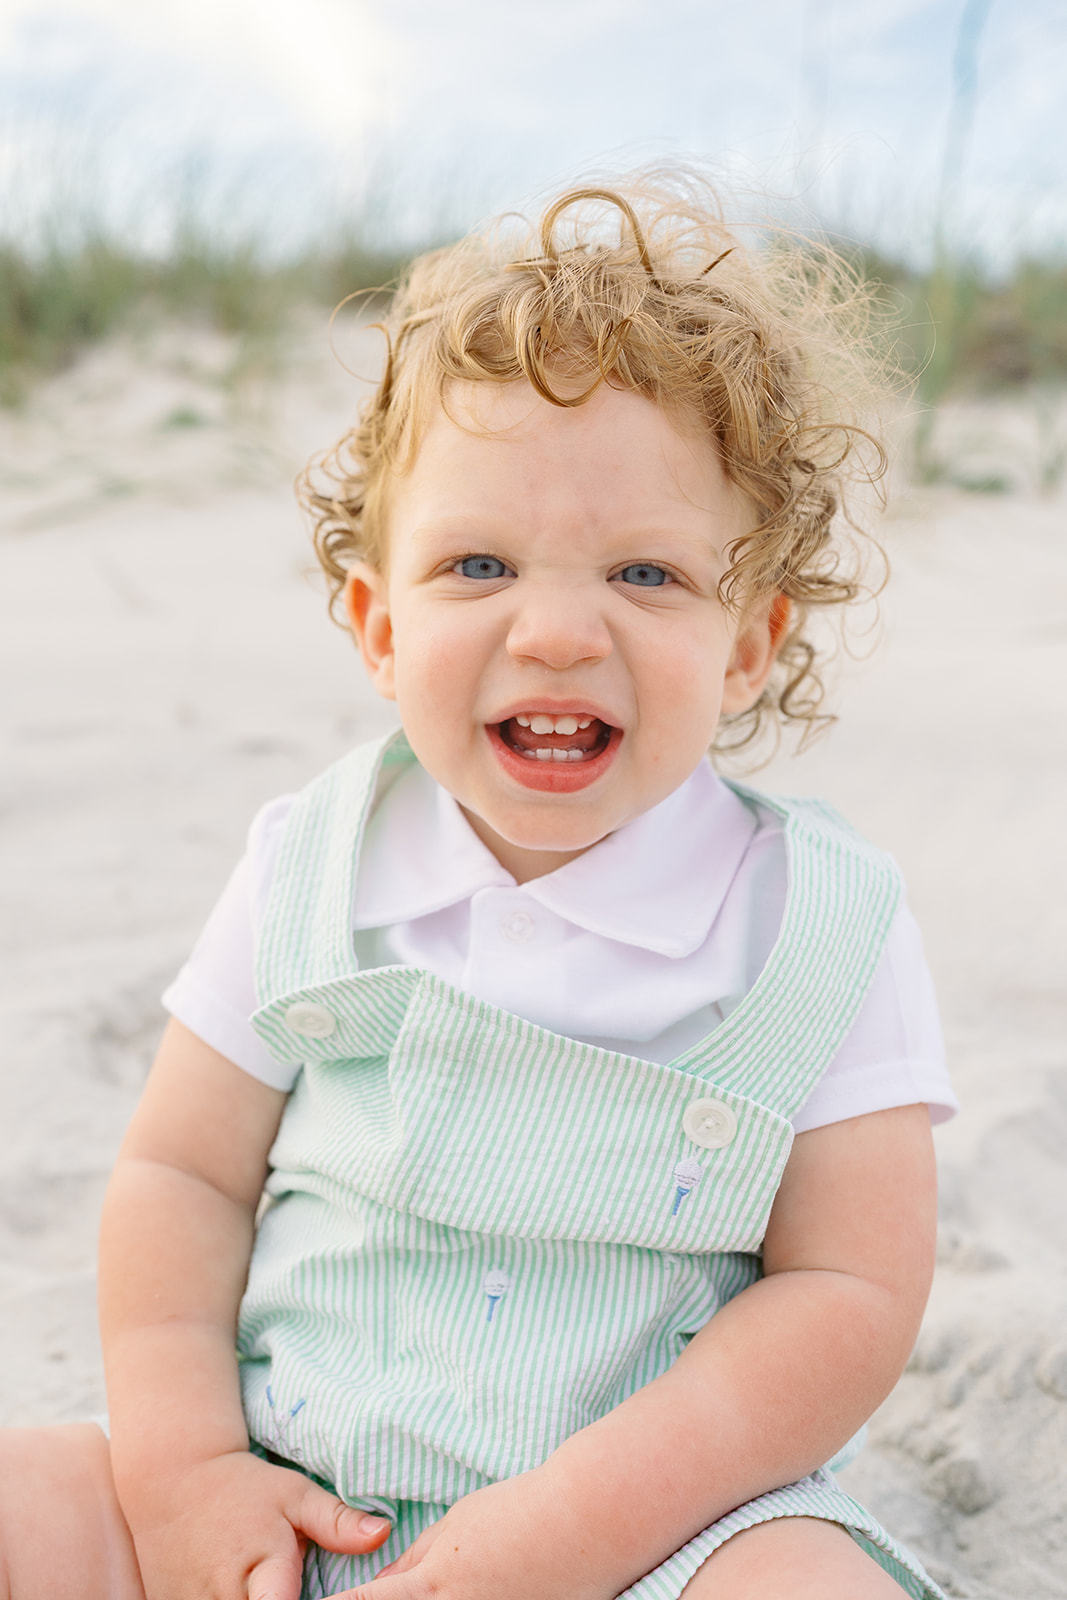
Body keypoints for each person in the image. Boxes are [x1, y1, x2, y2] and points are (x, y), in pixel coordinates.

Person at [0, 172, 958, 1600]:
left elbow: (850, 1291)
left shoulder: (815, 927)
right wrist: (189, 1471)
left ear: (750, 639)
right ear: (380, 626)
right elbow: (180, 1176)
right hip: (295, 1499)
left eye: (644, 572)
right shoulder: (311, 866)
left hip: (652, 1537)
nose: (560, 631)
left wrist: (577, 1530)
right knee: (30, 1498)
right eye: (479, 565)